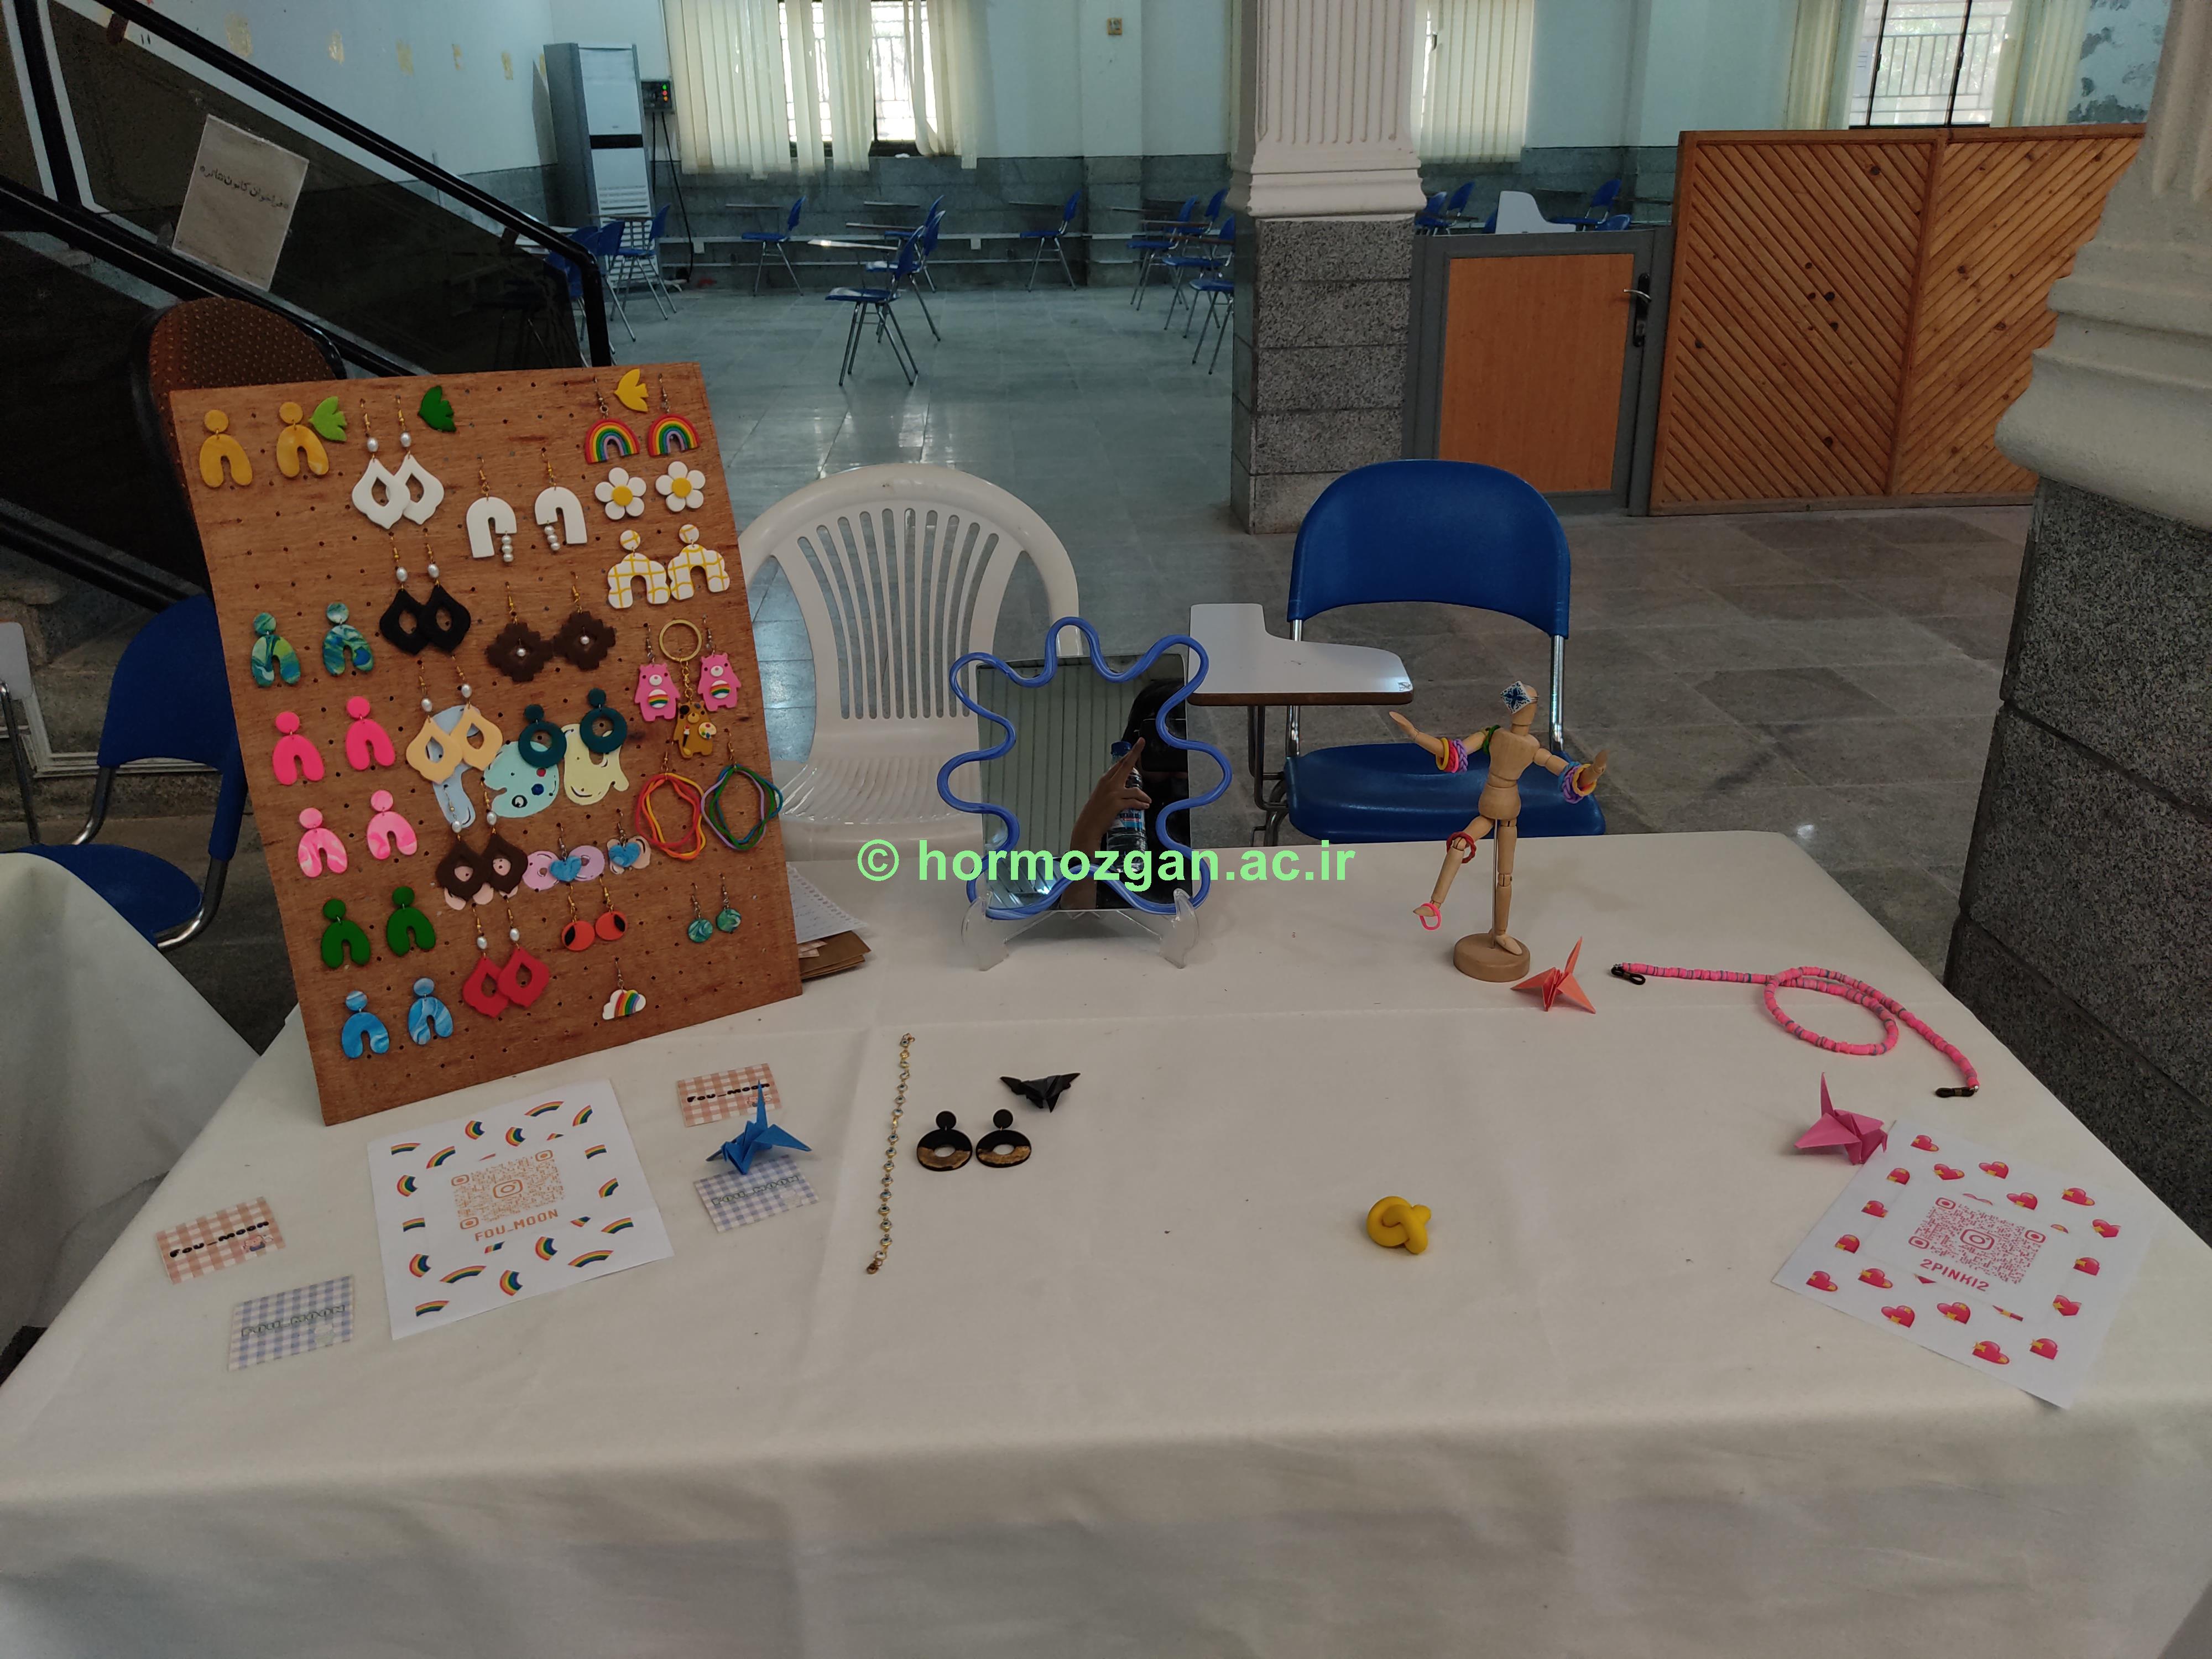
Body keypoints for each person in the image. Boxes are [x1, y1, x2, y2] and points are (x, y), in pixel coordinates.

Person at [1392, 681, 1606, 956]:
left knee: (1504, 877)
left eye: (1533, 703)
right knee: (1459, 845)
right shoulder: (1493, 735)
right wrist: (1415, 734)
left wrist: (1593, 773)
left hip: (1509, 812)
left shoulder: (1531, 747)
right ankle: (1435, 904)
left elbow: (1568, 773)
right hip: (1488, 804)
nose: (1529, 710)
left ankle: (1501, 932)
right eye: (1527, 703)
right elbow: (1453, 752)